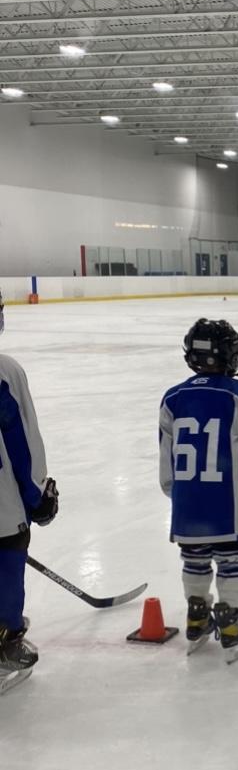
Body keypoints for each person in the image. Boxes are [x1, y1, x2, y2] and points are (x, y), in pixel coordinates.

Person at [159, 319, 238, 663]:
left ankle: (197, 617)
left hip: (187, 504)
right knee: (230, 560)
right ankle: (230, 623)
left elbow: (166, 463)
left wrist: (178, 494)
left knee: (194, 558)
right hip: (229, 502)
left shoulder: (172, 397)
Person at [0, 291, 59, 694]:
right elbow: (21, 443)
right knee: (7, 560)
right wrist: (37, 497)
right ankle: (5, 642)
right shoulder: (5, 372)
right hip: (2, 509)